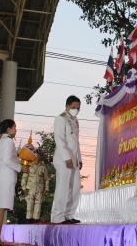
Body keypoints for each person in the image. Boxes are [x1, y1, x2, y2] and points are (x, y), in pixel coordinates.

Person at [0, 119, 28, 246]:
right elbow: (8, 160)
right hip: (5, 176)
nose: (16, 130)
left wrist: (17, 155)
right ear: (8, 129)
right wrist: (21, 168)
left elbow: (5, 158)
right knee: (1, 207)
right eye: (14, 127)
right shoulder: (8, 141)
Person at [51, 95, 82, 224]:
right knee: (62, 188)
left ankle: (69, 215)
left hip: (74, 159)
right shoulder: (60, 119)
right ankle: (57, 217)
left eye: (78, 108)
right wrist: (67, 157)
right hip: (63, 159)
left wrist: (79, 158)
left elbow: (76, 142)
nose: (76, 109)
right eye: (73, 107)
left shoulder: (75, 121)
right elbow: (59, 139)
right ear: (67, 106)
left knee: (74, 188)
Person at [21, 156, 49, 223]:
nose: (37, 158)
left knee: (38, 204)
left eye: (38, 156)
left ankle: (36, 219)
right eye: (36, 156)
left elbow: (46, 179)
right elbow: (24, 177)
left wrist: (46, 189)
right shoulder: (29, 165)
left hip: (39, 189)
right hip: (30, 188)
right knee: (29, 204)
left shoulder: (43, 167)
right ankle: (28, 219)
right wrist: (24, 188)